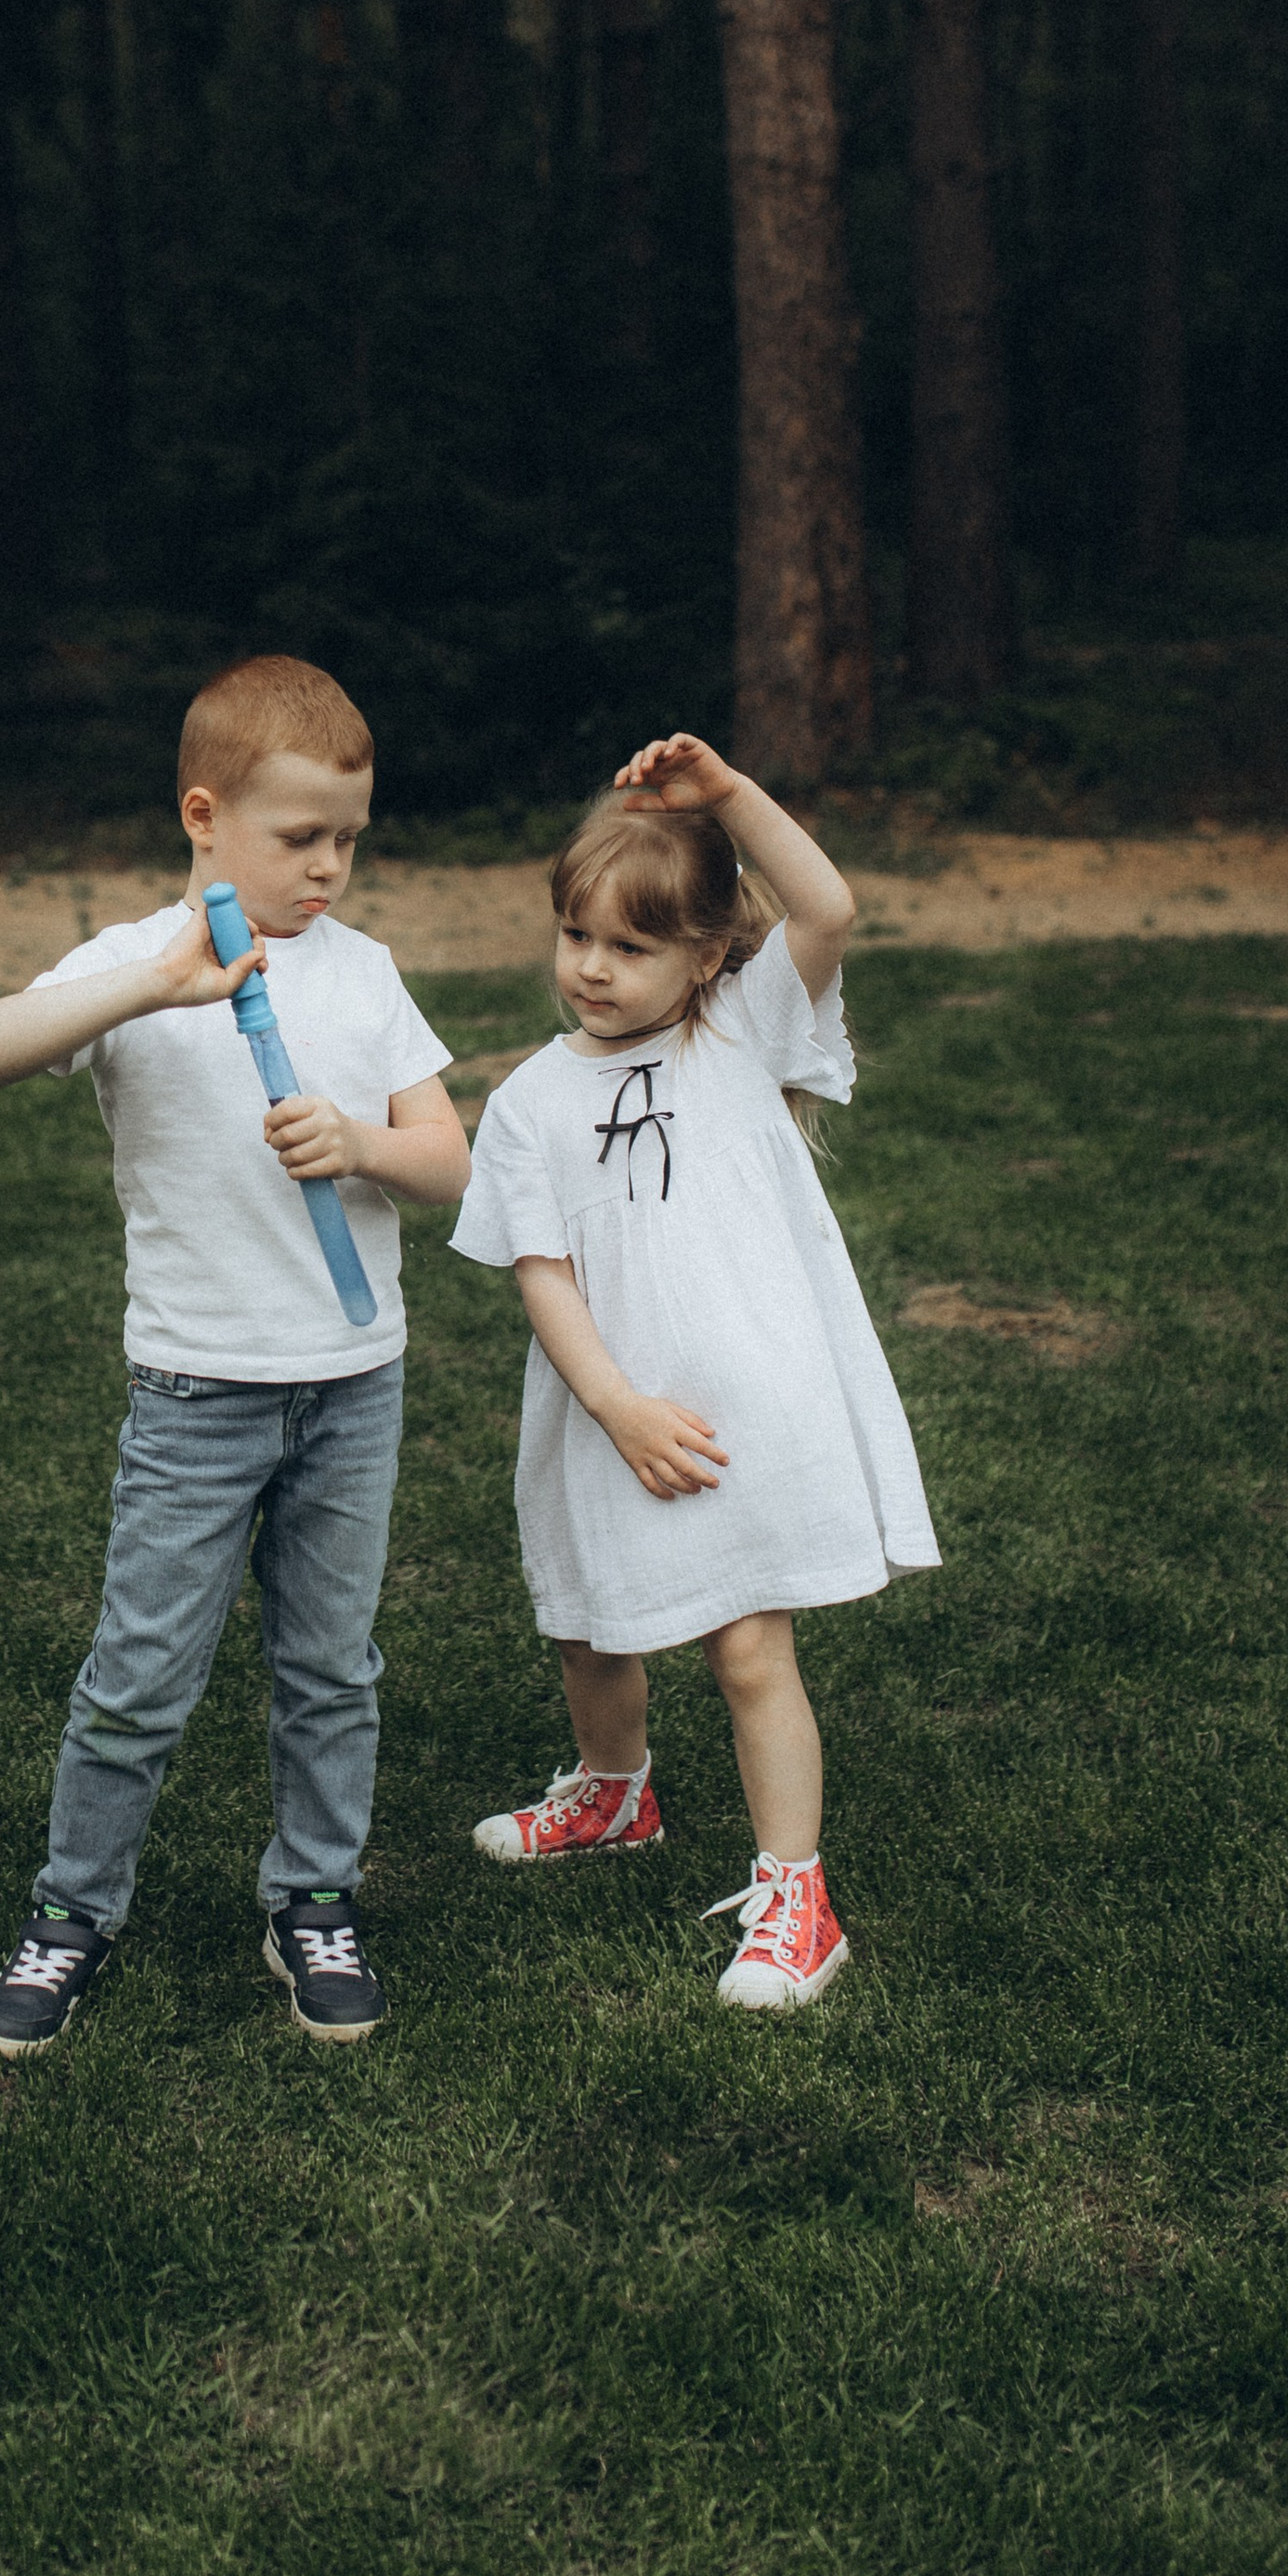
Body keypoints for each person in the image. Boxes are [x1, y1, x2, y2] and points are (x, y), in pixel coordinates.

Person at [0, 655, 472, 2056]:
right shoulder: (141, 964)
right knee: (140, 1672)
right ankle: (73, 1913)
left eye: (349, 838)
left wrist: (363, 1144)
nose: (332, 869)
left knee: (330, 1669)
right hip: (196, 1391)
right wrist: (145, 988)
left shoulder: (362, 975)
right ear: (205, 814)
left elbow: (455, 1163)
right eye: (302, 838)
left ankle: (314, 1897)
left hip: (354, 1384)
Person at [450, 732, 938, 2007]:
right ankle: (615, 1797)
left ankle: (797, 1899)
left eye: (630, 947)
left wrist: (727, 798)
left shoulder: (743, 1031)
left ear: (709, 954)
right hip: (605, 1404)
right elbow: (540, 1271)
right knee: (586, 1617)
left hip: (739, 1409)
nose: (591, 971)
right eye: (576, 938)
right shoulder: (528, 1103)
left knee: (745, 1643)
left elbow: (828, 904)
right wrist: (612, 1406)